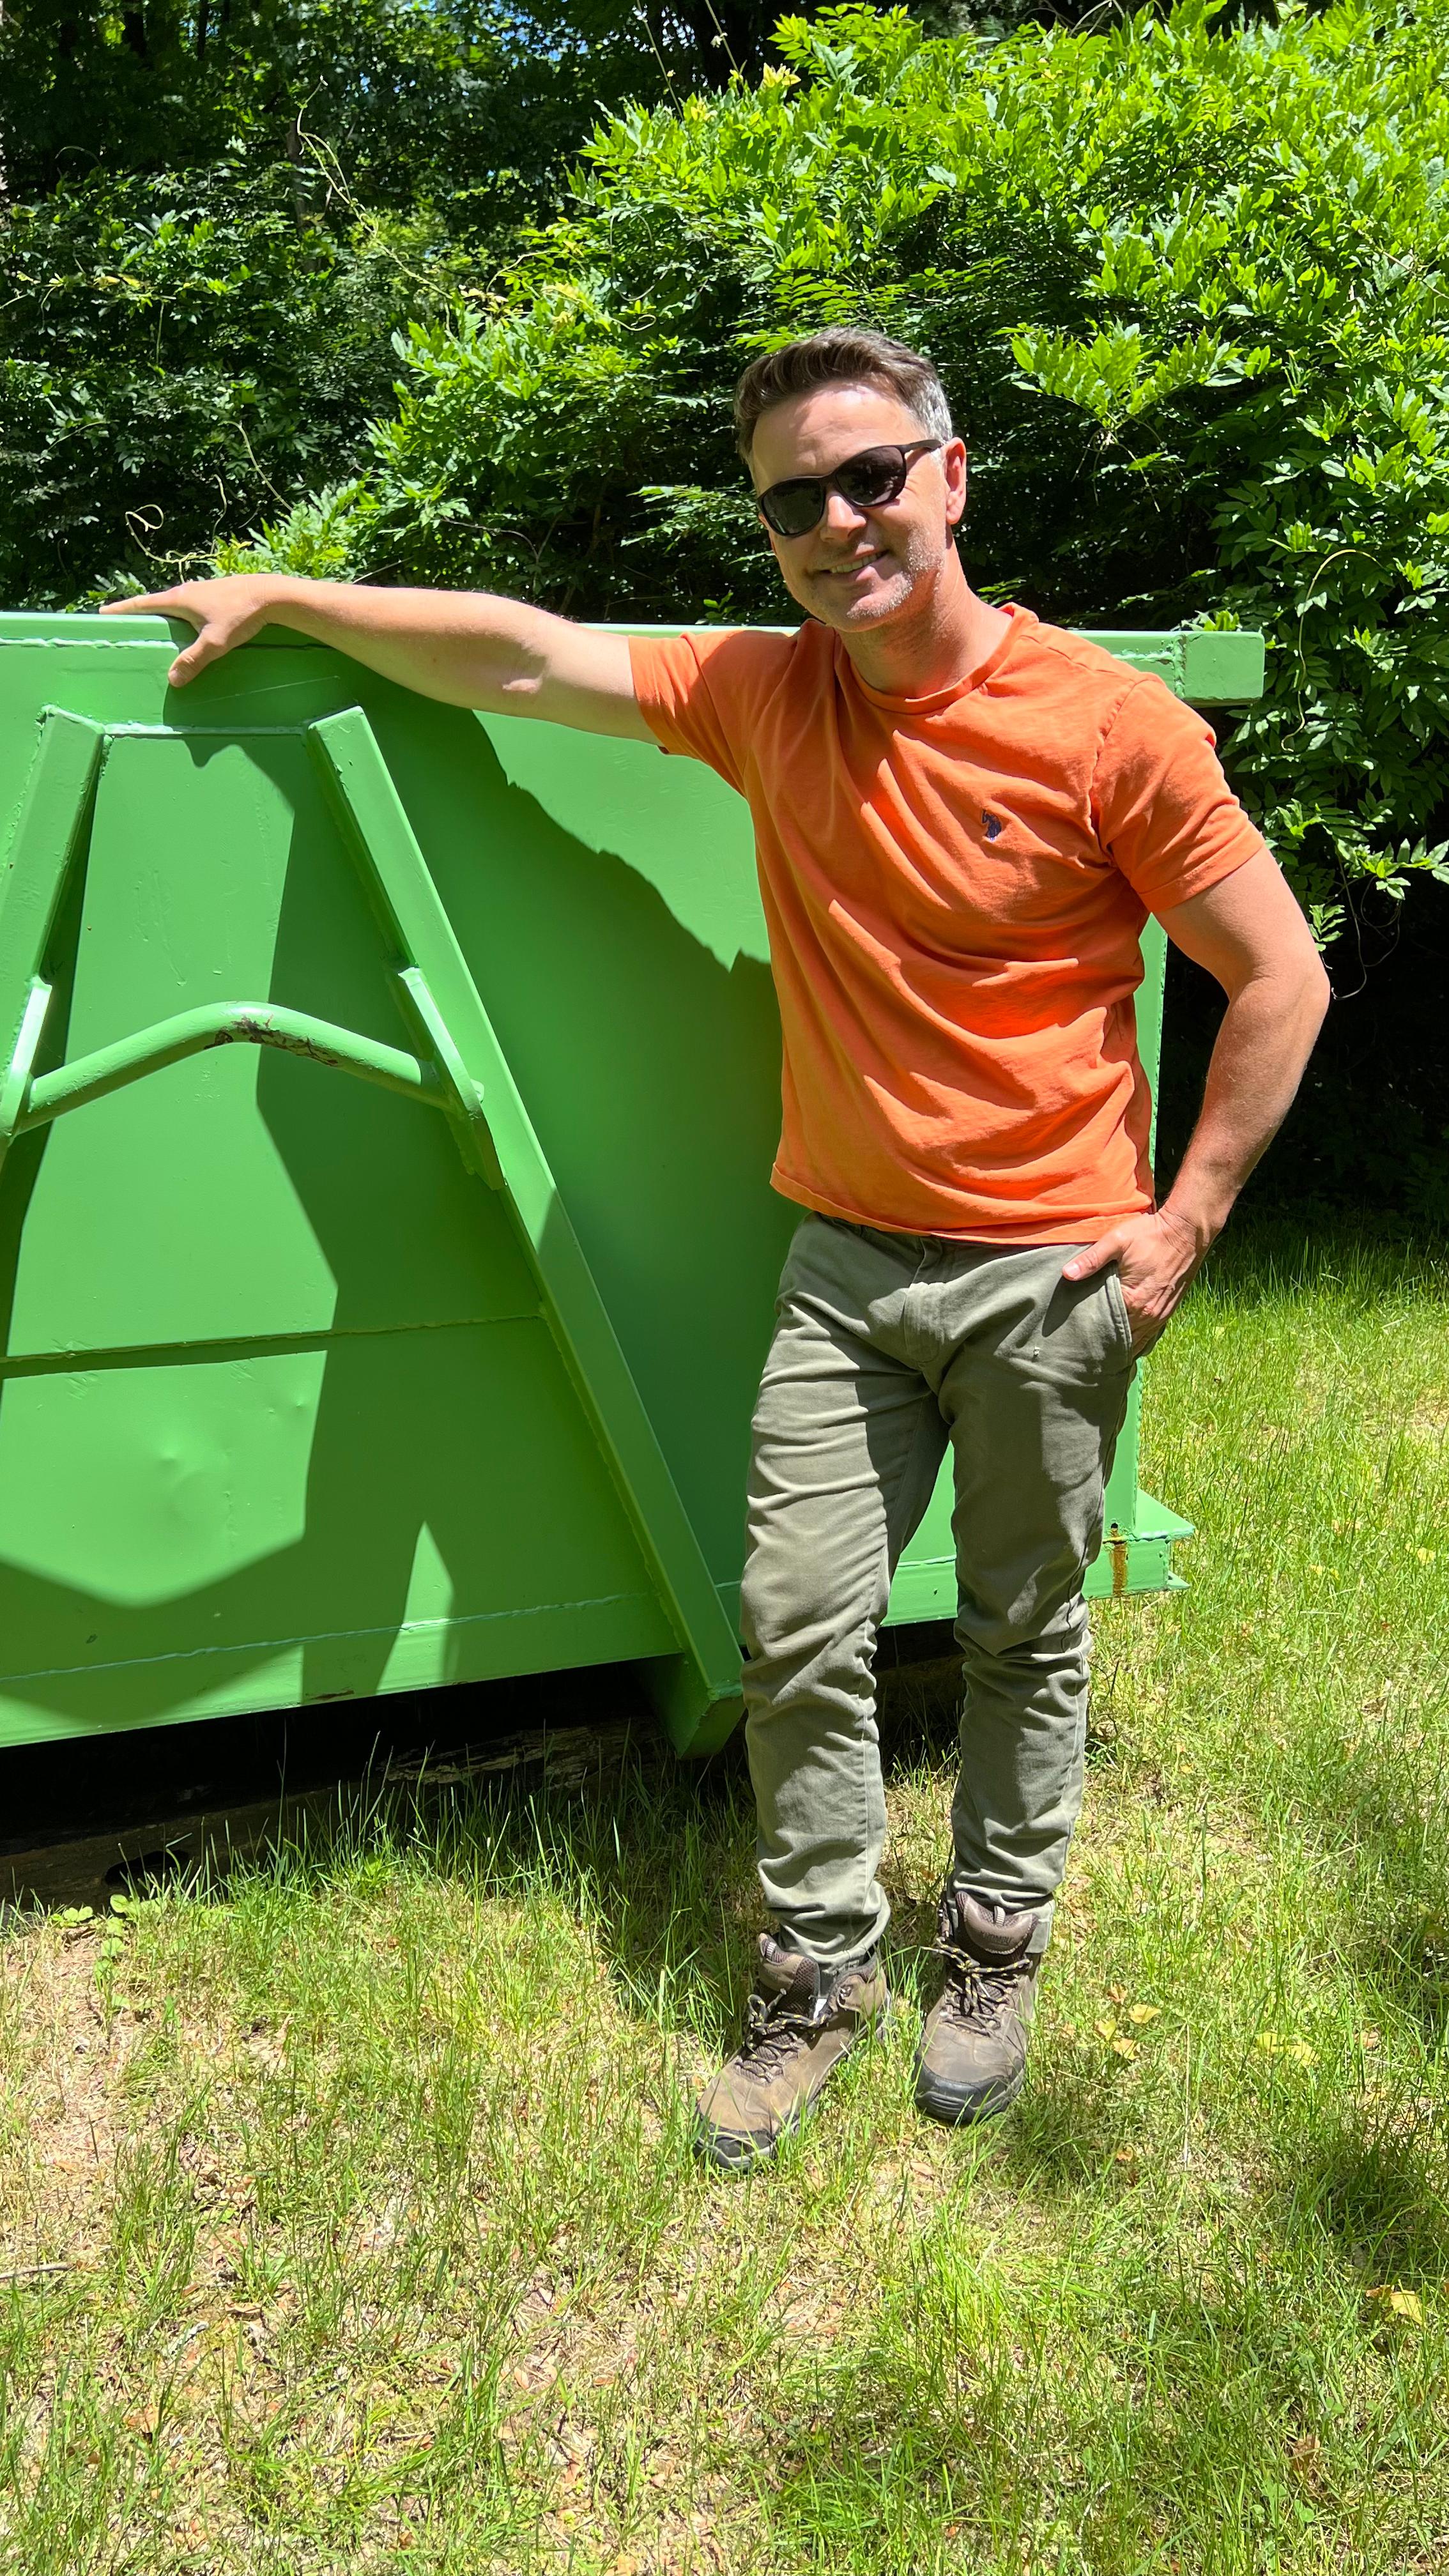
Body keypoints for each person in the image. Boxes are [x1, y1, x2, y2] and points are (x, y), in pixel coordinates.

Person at [111, 326, 1329, 2172]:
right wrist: (290, 593)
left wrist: (1180, 1228)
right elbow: (520, 652)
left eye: (868, 475)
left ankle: (990, 1943)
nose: (837, 520)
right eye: (792, 500)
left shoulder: (1108, 725)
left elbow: (1280, 975)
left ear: (949, 473)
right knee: (796, 1622)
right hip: (841, 1264)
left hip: (1047, 1275)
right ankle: (818, 1973)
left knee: (1020, 1626)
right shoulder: (770, 693)